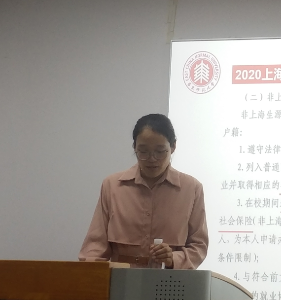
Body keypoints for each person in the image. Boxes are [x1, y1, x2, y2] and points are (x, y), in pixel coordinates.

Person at [79, 114, 208, 269]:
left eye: (160, 151)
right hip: (120, 279)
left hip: (169, 280)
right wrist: (92, 275)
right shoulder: (112, 186)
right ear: (134, 147)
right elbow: (95, 245)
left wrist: (173, 258)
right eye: (143, 151)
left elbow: (199, 246)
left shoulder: (192, 189)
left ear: (173, 147)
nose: (152, 159)